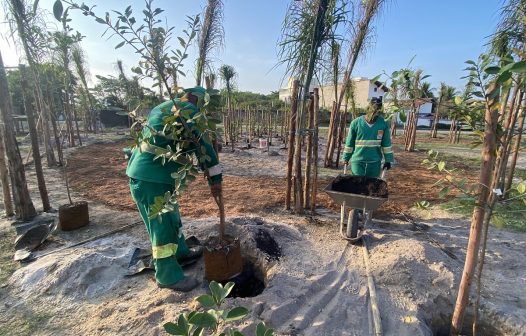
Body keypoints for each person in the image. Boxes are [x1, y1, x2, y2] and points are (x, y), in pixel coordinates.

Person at [126, 86, 222, 291]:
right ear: (197, 100)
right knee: (162, 226)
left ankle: (180, 252)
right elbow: (204, 147)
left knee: (171, 217)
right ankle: (167, 275)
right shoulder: (189, 111)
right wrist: (216, 180)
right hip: (150, 178)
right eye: (206, 106)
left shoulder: (165, 106)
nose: (206, 111)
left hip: (152, 176)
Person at [342, 97, 394, 177]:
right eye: (373, 109)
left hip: (375, 162)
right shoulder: (356, 123)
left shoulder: (383, 124)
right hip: (358, 162)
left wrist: (388, 160)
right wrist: (346, 158)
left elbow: (386, 144)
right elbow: (350, 143)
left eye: (377, 110)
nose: (374, 112)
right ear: (368, 108)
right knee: (358, 184)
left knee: (371, 186)